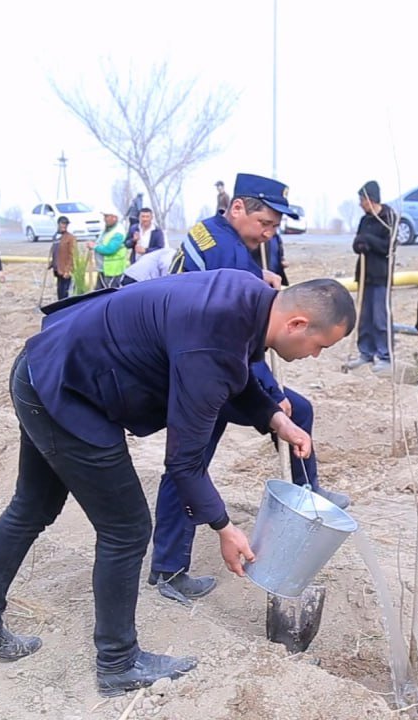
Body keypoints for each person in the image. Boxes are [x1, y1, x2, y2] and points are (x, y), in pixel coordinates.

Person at [0, 270, 355, 696]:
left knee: (31, 507)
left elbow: (238, 370)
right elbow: (183, 461)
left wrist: (275, 418)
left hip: (48, 367)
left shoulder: (250, 296)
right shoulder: (213, 340)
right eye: (319, 346)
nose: (315, 356)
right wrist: (224, 527)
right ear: (296, 324)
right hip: (67, 392)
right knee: (125, 529)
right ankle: (118, 662)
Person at [155, 173, 349, 605]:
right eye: (265, 223)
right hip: (207, 372)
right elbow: (241, 343)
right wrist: (267, 393)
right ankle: (168, 569)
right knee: (189, 465)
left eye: (275, 227)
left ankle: (307, 494)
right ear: (237, 208)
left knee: (297, 413)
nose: (269, 233)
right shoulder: (231, 256)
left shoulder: (210, 231)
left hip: (201, 358)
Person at [344, 180, 398, 374]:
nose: (360, 204)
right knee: (364, 318)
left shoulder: (389, 217)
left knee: (380, 318)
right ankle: (365, 353)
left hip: (381, 276)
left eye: (362, 199)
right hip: (365, 276)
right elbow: (357, 243)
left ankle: (385, 355)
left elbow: (388, 247)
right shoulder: (365, 220)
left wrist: (368, 241)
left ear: (370, 199)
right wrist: (361, 245)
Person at [94, 209, 128, 289]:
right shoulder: (108, 229)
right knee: (98, 294)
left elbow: (110, 249)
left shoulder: (118, 232)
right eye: (104, 216)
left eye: (107, 216)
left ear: (114, 217)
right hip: (104, 269)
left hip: (113, 270)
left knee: (110, 294)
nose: (104, 219)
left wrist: (95, 247)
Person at [47, 216, 78, 300]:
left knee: (65, 293)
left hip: (65, 271)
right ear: (58, 224)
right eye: (62, 223)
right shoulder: (56, 237)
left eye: (66, 224)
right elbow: (56, 252)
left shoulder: (70, 238)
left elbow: (73, 255)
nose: (64, 225)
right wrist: (52, 263)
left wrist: (68, 270)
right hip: (58, 270)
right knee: (59, 291)